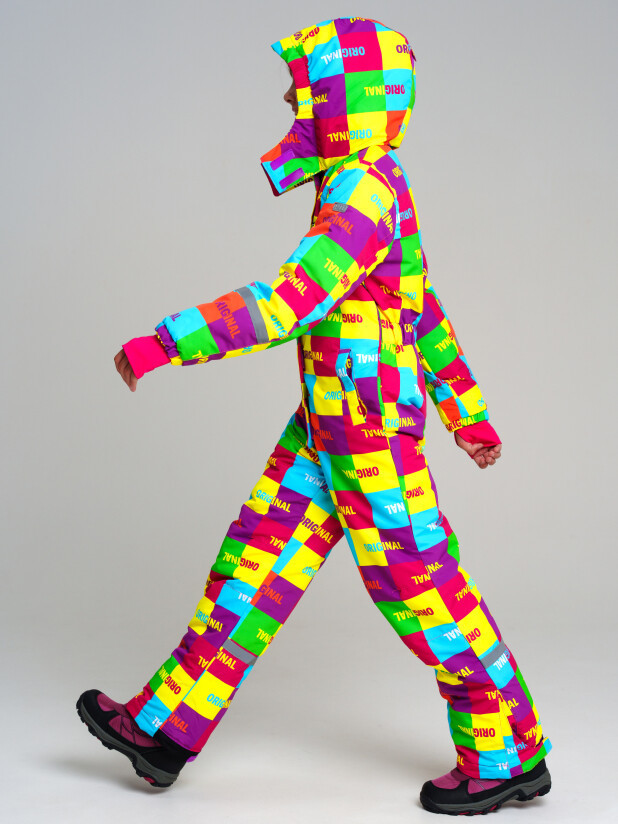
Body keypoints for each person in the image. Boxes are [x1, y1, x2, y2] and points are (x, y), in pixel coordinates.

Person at [77, 17, 551, 815]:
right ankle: (162, 728)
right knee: (251, 570)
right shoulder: (367, 181)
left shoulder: (364, 191)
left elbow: (290, 301)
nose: (291, 107)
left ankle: (509, 751)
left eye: (303, 93)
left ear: (343, 101)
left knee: (422, 590)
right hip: (329, 425)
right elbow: (421, 308)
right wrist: (467, 413)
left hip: (369, 437)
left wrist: (166, 342)